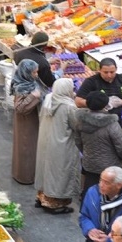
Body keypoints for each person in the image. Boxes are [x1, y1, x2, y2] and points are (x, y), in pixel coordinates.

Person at [34, 78, 80, 214]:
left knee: (45, 169)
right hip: (61, 145)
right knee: (59, 173)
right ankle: (54, 203)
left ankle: (41, 197)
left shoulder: (48, 100)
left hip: (45, 141)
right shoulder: (68, 106)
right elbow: (76, 125)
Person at [74, 91, 122, 200]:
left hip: (90, 164)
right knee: (110, 196)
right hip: (110, 166)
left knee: (90, 194)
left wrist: (87, 153)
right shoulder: (111, 124)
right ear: (105, 105)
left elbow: (78, 141)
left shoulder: (80, 121)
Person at [11, 59, 46, 185]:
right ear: (26, 73)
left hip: (31, 121)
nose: (36, 75)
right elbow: (20, 108)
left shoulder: (28, 82)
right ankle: (25, 176)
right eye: (34, 73)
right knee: (26, 149)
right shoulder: (21, 87)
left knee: (29, 149)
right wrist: (34, 96)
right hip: (26, 124)